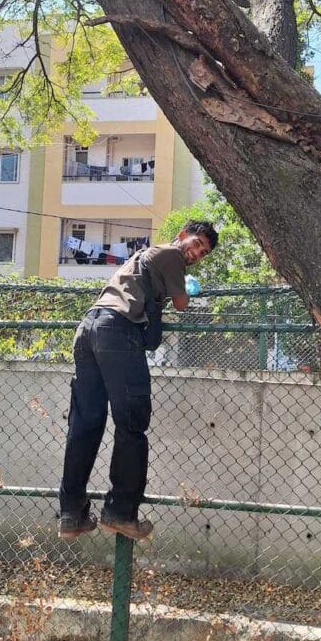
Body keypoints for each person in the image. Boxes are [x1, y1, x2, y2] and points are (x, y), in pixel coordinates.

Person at [58, 220, 218, 541]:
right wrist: (186, 289)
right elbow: (182, 303)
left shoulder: (144, 258)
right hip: (117, 332)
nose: (196, 253)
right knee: (132, 423)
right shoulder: (171, 254)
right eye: (197, 243)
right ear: (183, 235)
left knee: (85, 424)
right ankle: (120, 512)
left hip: (89, 329)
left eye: (203, 252)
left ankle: (72, 514)